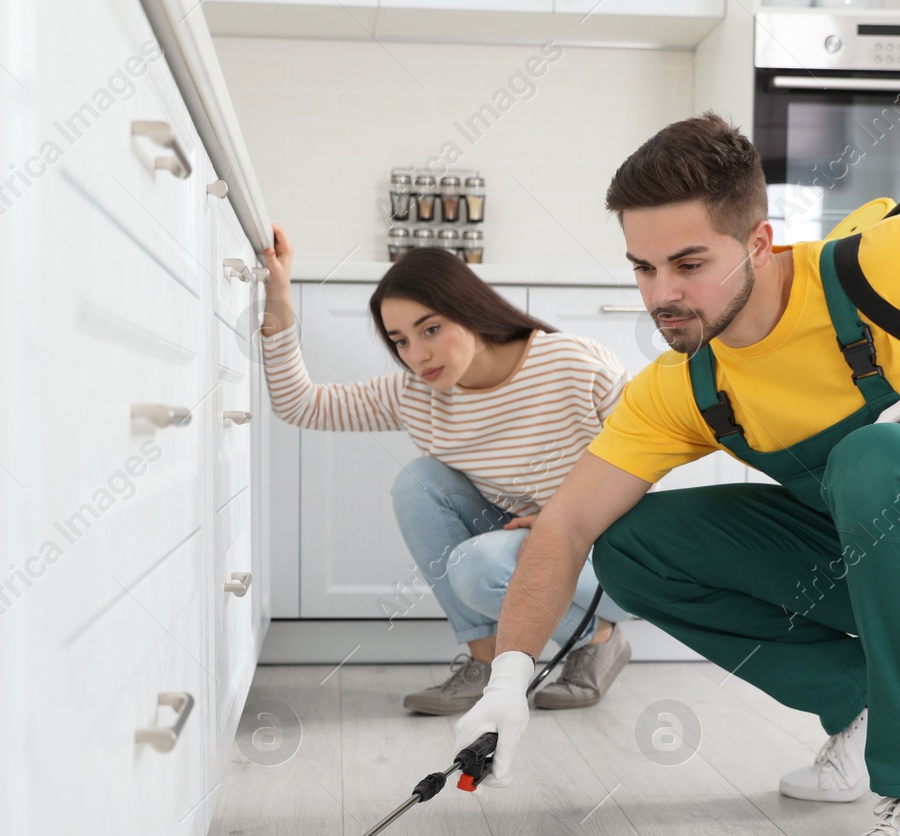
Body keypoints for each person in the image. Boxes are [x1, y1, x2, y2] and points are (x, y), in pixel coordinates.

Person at [451, 113, 900, 836]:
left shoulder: (891, 265)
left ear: (758, 243)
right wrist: (509, 678)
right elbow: (570, 521)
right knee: (631, 544)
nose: (662, 296)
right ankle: (865, 705)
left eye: (687, 263)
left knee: (878, 456)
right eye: (643, 268)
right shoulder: (686, 384)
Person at [259, 224, 634, 714]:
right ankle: (485, 662)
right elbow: (301, 405)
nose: (417, 356)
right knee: (419, 483)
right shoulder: (417, 394)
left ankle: (598, 636)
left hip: (609, 553)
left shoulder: (572, 364)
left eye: (430, 329)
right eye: (400, 341)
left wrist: (569, 516)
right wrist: (279, 290)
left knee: (478, 569)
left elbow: (651, 452)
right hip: (527, 544)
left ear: (469, 309)